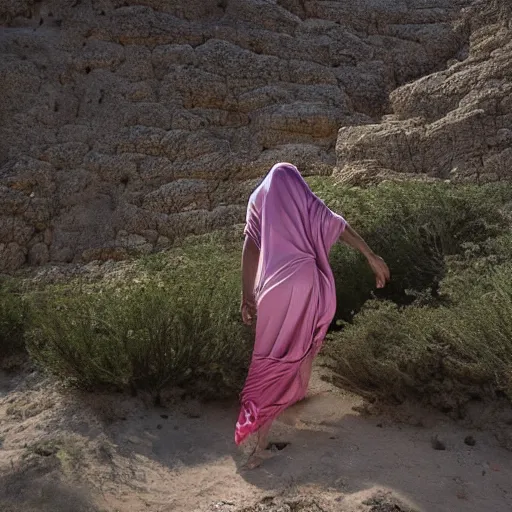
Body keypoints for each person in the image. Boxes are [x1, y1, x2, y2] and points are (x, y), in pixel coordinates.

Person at [236, 162, 390, 469]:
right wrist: (369, 255)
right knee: (299, 350)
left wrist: (247, 297)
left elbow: (250, 248)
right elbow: (338, 224)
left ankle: (260, 440)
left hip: (271, 290)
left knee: (269, 360)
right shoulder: (300, 193)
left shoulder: (259, 198)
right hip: (306, 281)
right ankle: (277, 420)